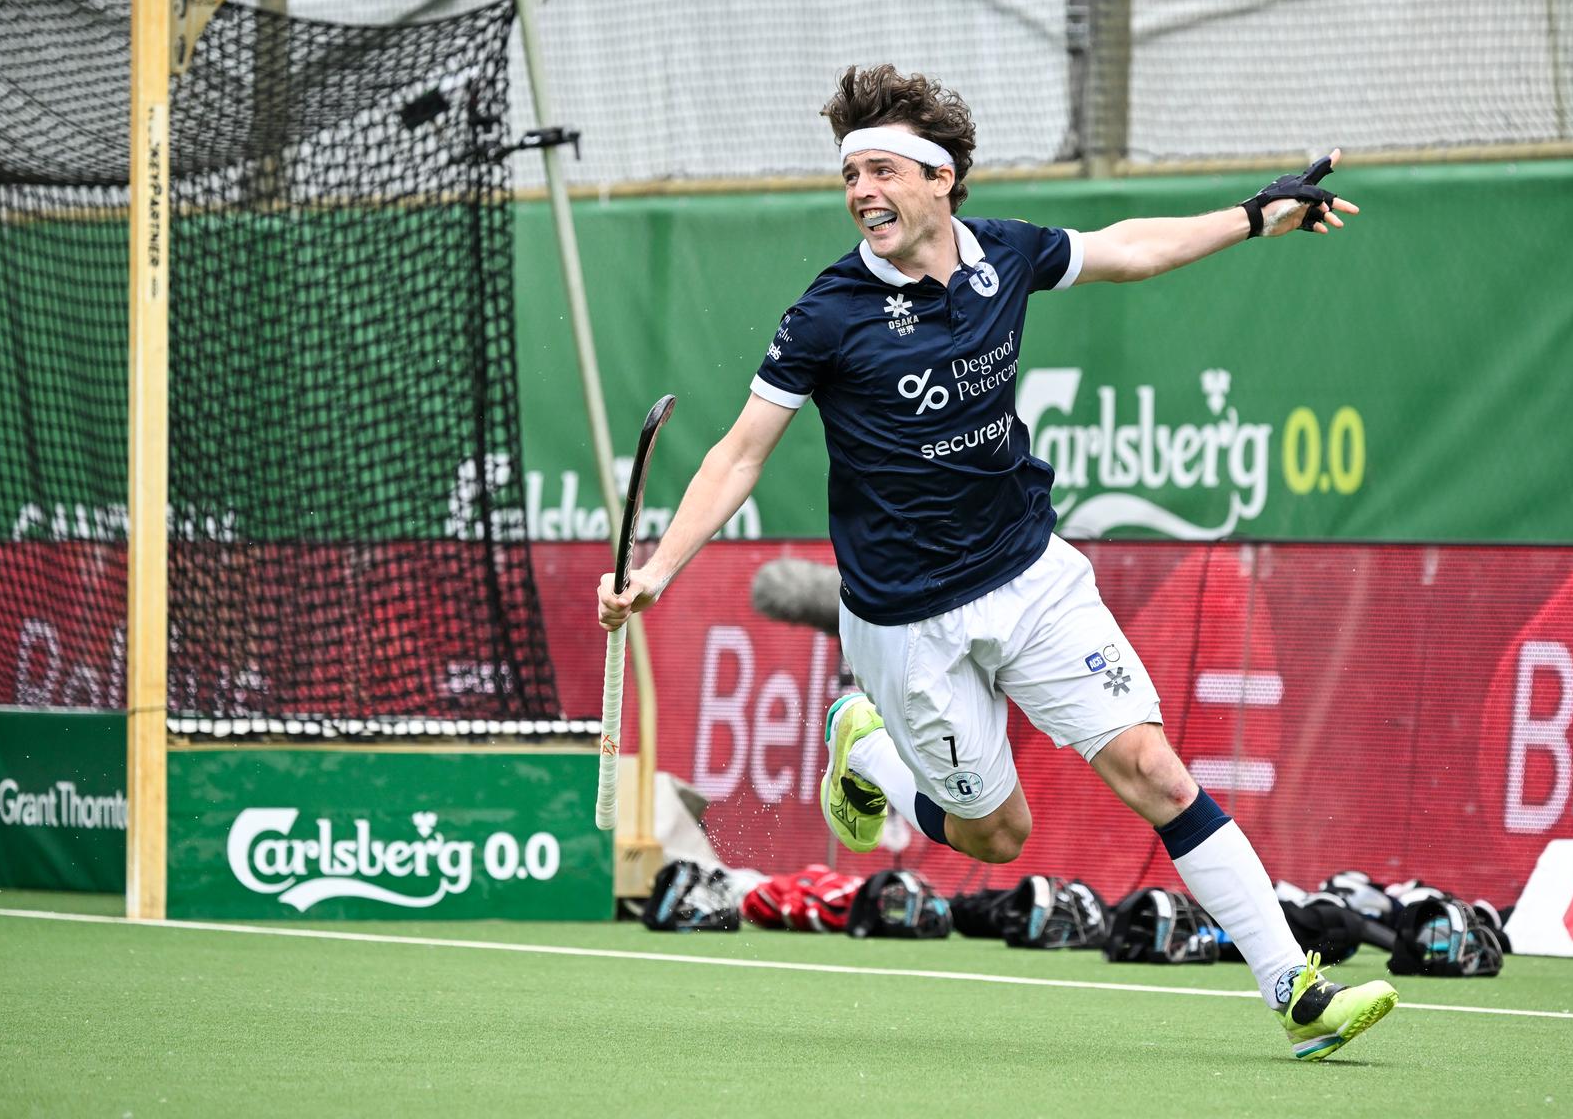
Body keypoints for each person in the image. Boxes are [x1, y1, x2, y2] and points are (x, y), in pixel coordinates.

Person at [598, 64, 1397, 1060]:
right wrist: (658, 570)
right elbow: (740, 451)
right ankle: (871, 744)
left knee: (1152, 767)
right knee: (996, 835)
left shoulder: (1005, 257)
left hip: (1030, 575)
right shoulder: (828, 313)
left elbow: (1129, 251)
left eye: (882, 171)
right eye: (851, 177)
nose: (861, 194)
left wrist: (1254, 214)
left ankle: (1294, 987)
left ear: (941, 179)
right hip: (903, 621)